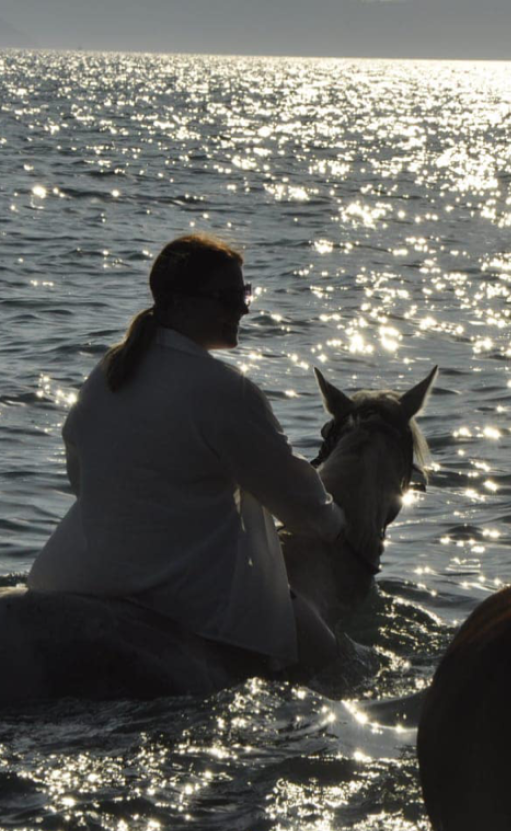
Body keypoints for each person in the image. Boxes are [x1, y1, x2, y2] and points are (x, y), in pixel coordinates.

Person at [29, 233, 345, 674]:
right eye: (228, 298)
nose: (244, 309)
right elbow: (303, 510)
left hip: (75, 576)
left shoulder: (107, 373)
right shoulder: (225, 391)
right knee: (330, 664)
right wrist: (336, 521)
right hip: (183, 599)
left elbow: (81, 482)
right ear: (179, 302)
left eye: (245, 294)